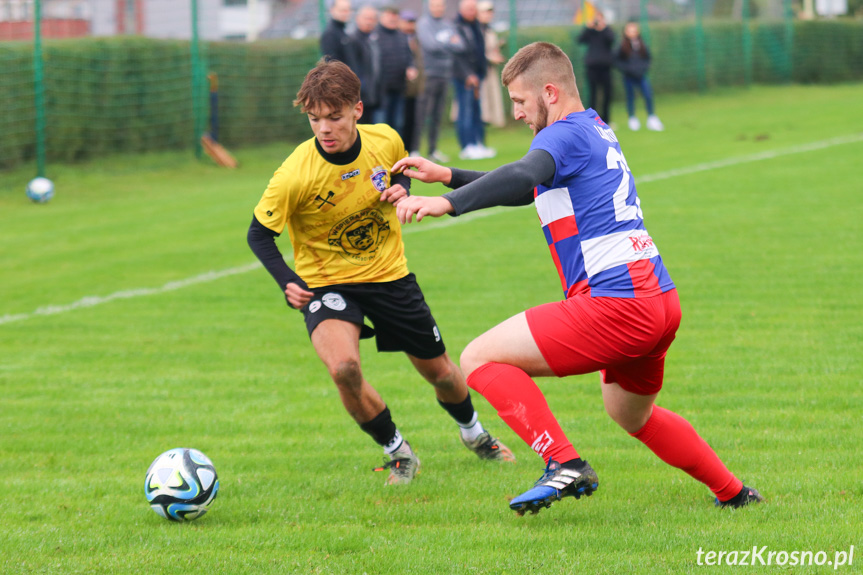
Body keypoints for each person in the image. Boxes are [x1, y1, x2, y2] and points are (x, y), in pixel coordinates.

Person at [388, 42, 763, 513]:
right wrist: (448, 176)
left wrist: (447, 204)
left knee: (478, 359)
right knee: (631, 414)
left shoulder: (561, 134)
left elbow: (526, 170)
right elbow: (530, 184)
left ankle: (563, 462)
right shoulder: (592, 128)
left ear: (550, 92)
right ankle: (734, 494)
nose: (518, 114)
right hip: (660, 300)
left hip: (618, 302)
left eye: (521, 103)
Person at [246, 59, 515, 487]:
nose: (324, 129)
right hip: (327, 283)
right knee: (344, 369)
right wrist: (289, 282)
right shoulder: (294, 173)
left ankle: (475, 434)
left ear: (357, 109)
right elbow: (259, 235)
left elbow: (398, 174)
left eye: (334, 117)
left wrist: (402, 190)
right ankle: (398, 452)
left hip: (389, 275)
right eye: (315, 119)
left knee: (441, 373)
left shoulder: (386, 139)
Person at [417, 0, 465, 163]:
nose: (438, 9)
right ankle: (415, 149)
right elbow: (431, 46)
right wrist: (448, 43)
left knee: (437, 115)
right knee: (423, 113)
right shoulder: (424, 24)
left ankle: (432, 149)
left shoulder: (447, 24)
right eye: (434, 6)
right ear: (429, 7)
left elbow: (460, 46)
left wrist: (444, 44)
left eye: (440, 6)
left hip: (445, 74)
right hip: (429, 75)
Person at [452, 0, 495, 160]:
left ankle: (479, 143)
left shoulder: (477, 25)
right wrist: (468, 75)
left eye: (473, 9)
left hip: (478, 76)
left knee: (477, 111)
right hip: (464, 79)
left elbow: (479, 51)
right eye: (469, 9)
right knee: (466, 111)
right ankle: (467, 146)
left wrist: (480, 73)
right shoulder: (456, 27)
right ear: (462, 9)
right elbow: (457, 54)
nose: (472, 11)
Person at [373, 6, 418, 136]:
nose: (392, 20)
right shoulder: (375, 36)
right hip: (381, 90)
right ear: (382, 17)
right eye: (389, 16)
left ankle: (396, 154)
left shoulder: (402, 36)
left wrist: (411, 68)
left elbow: (409, 57)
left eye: (395, 17)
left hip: (399, 88)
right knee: (381, 126)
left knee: (398, 124)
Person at [615, 21, 663, 132]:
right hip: (629, 76)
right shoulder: (622, 46)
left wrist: (643, 68)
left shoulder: (642, 44)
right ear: (625, 32)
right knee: (630, 97)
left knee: (648, 95)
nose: (632, 33)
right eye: (630, 30)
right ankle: (632, 119)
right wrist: (627, 69)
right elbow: (617, 61)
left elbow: (648, 58)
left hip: (641, 76)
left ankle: (652, 118)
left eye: (634, 30)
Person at [577, 10, 614, 125]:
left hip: (605, 68)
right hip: (592, 67)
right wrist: (588, 27)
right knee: (592, 94)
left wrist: (604, 28)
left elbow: (611, 40)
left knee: (607, 94)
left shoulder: (607, 31)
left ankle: (606, 119)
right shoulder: (590, 33)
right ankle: (593, 119)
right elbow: (580, 40)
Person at [351, 5, 382, 124]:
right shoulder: (353, 40)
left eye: (372, 18)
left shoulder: (374, 39)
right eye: (366, 18)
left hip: (374, 93)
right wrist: (362, 88)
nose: (369, 22)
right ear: (358, 18)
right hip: (361, 95)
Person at [477, 1, 506, 129]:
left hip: (489, 71)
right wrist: (489, 58)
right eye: (485, 12)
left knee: (489, 104)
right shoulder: (475, 30)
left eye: (490, 12)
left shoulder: (489, 30)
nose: (488, 15)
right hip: (478, 72)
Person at [400, 10, 425, 155]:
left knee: (414, 120)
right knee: (401, 121)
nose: (410, 25)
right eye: (407, 22)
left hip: (416, 88)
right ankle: (402, 150)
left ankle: (413, 148)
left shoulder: (416, 40)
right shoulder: (398, 38)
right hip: (401, 88)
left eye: (412, 22)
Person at [320, 0, 357, 70]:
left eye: (347, 10)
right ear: (332, 10)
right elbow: (332, 64)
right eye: (342, 10)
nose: (345, 13)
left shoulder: (343, 31)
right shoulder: (330, 34)